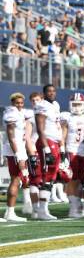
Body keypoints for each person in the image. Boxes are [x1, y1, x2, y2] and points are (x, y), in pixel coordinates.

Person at [34, 84, 65, 220]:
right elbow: (40, 129)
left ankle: (44, 209)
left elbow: (57, 126)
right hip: (47, 141)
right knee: (46, 175)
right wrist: (46, 149)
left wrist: (62, 147)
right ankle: (41, 210)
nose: (52, 93)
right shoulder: (42, 105)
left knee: (51, 176)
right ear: (44, 93)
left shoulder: (56, 105)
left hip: (55, 142)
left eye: (53, 91)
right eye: (49, 91)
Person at [1, 93, 31, 222]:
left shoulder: (20, 113)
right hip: (15, 150)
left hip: (19, 148)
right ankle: (10, 212)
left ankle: (10, 212)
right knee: (16, 180)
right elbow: (11, 136)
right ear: (12, 102)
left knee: (18, 180)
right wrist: (18, 154)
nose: (19, 105)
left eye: (21, 102)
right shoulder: (11, 114)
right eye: (16, 103)